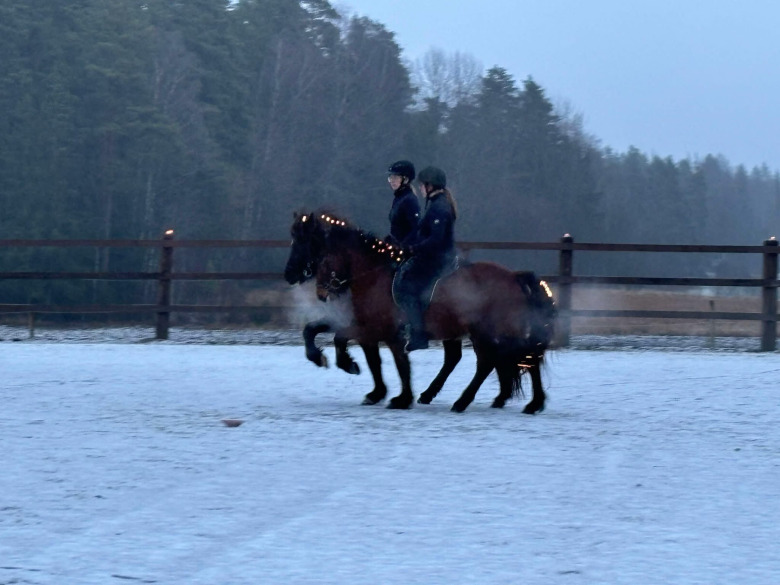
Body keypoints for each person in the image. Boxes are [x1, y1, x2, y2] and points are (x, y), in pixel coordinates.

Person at [393, 165, 458, 352]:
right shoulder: (435, 203)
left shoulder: (439, 207)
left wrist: (414, 248)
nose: (420, 189)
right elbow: (423, 234)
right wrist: (405, 245)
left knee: (407, 288)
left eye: (422, 185)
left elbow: (435, 240)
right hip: (432, 257)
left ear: (430, 185)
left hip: (437, 260)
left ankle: (418, 334)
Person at [385, 160, 420, 249]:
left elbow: (415, 229)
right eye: (390, 177)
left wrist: (402, 247)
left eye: (396, 177)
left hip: (405, 251)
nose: (392, 181)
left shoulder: (409, 200)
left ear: (406, 179)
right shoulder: (398, 198)